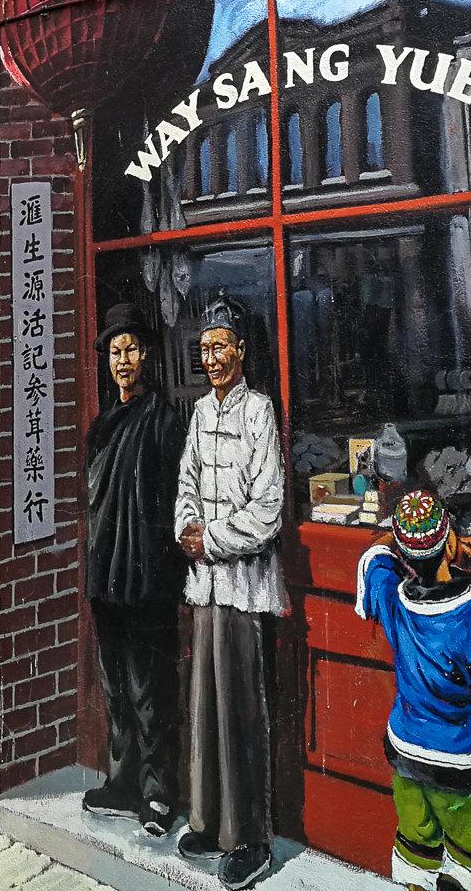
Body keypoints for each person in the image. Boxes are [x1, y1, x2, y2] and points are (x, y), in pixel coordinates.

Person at [356, 491, 471, 891]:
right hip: (458, 758)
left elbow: (374, 562)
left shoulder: (394, 601)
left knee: (415, 843)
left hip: (405, 750)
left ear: (404, 556)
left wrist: (399, 541)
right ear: (452, 545)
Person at [174, 296, 286, 890]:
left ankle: (250, 838)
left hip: (244, 585)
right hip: (205, 584)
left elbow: (268, 509)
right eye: (205, 349)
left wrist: (211, 538)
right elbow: (186, 482)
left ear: (241, 351)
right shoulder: (198, 413)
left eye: (221, 347)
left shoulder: (260, 411)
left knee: (241, 709)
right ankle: (209, 822)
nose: (212, 359)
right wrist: (187, 526)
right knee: (205, 704)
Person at [80, 302, 188, 839]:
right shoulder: (101, 426)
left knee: (151, 690)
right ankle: (122, 782)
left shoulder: (165, 420)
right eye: (114, 353)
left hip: (146, 577)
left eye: (130, 350)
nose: (122, 361)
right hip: (106, 574)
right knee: (115, 686)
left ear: (146, 355)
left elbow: (174, 503)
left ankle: (157, 793)